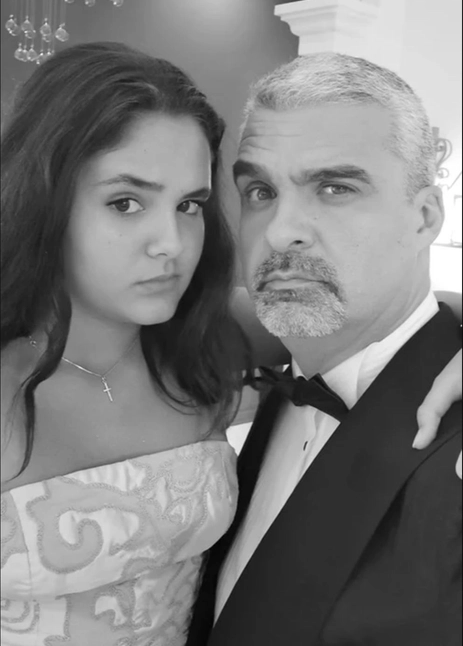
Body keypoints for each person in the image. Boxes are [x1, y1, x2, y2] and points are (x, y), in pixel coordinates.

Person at [0, 43, 460, 646]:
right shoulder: (229, 332)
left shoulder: (202, 340)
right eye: (260, 192)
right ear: (45, 202)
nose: (171, 242)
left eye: (190, 204)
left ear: (426, 216)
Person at [187, 53, 463, 646]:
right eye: (260, 190)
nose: (281, 230)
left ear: (424, 217)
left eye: (335, 188)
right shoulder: (259, 358)